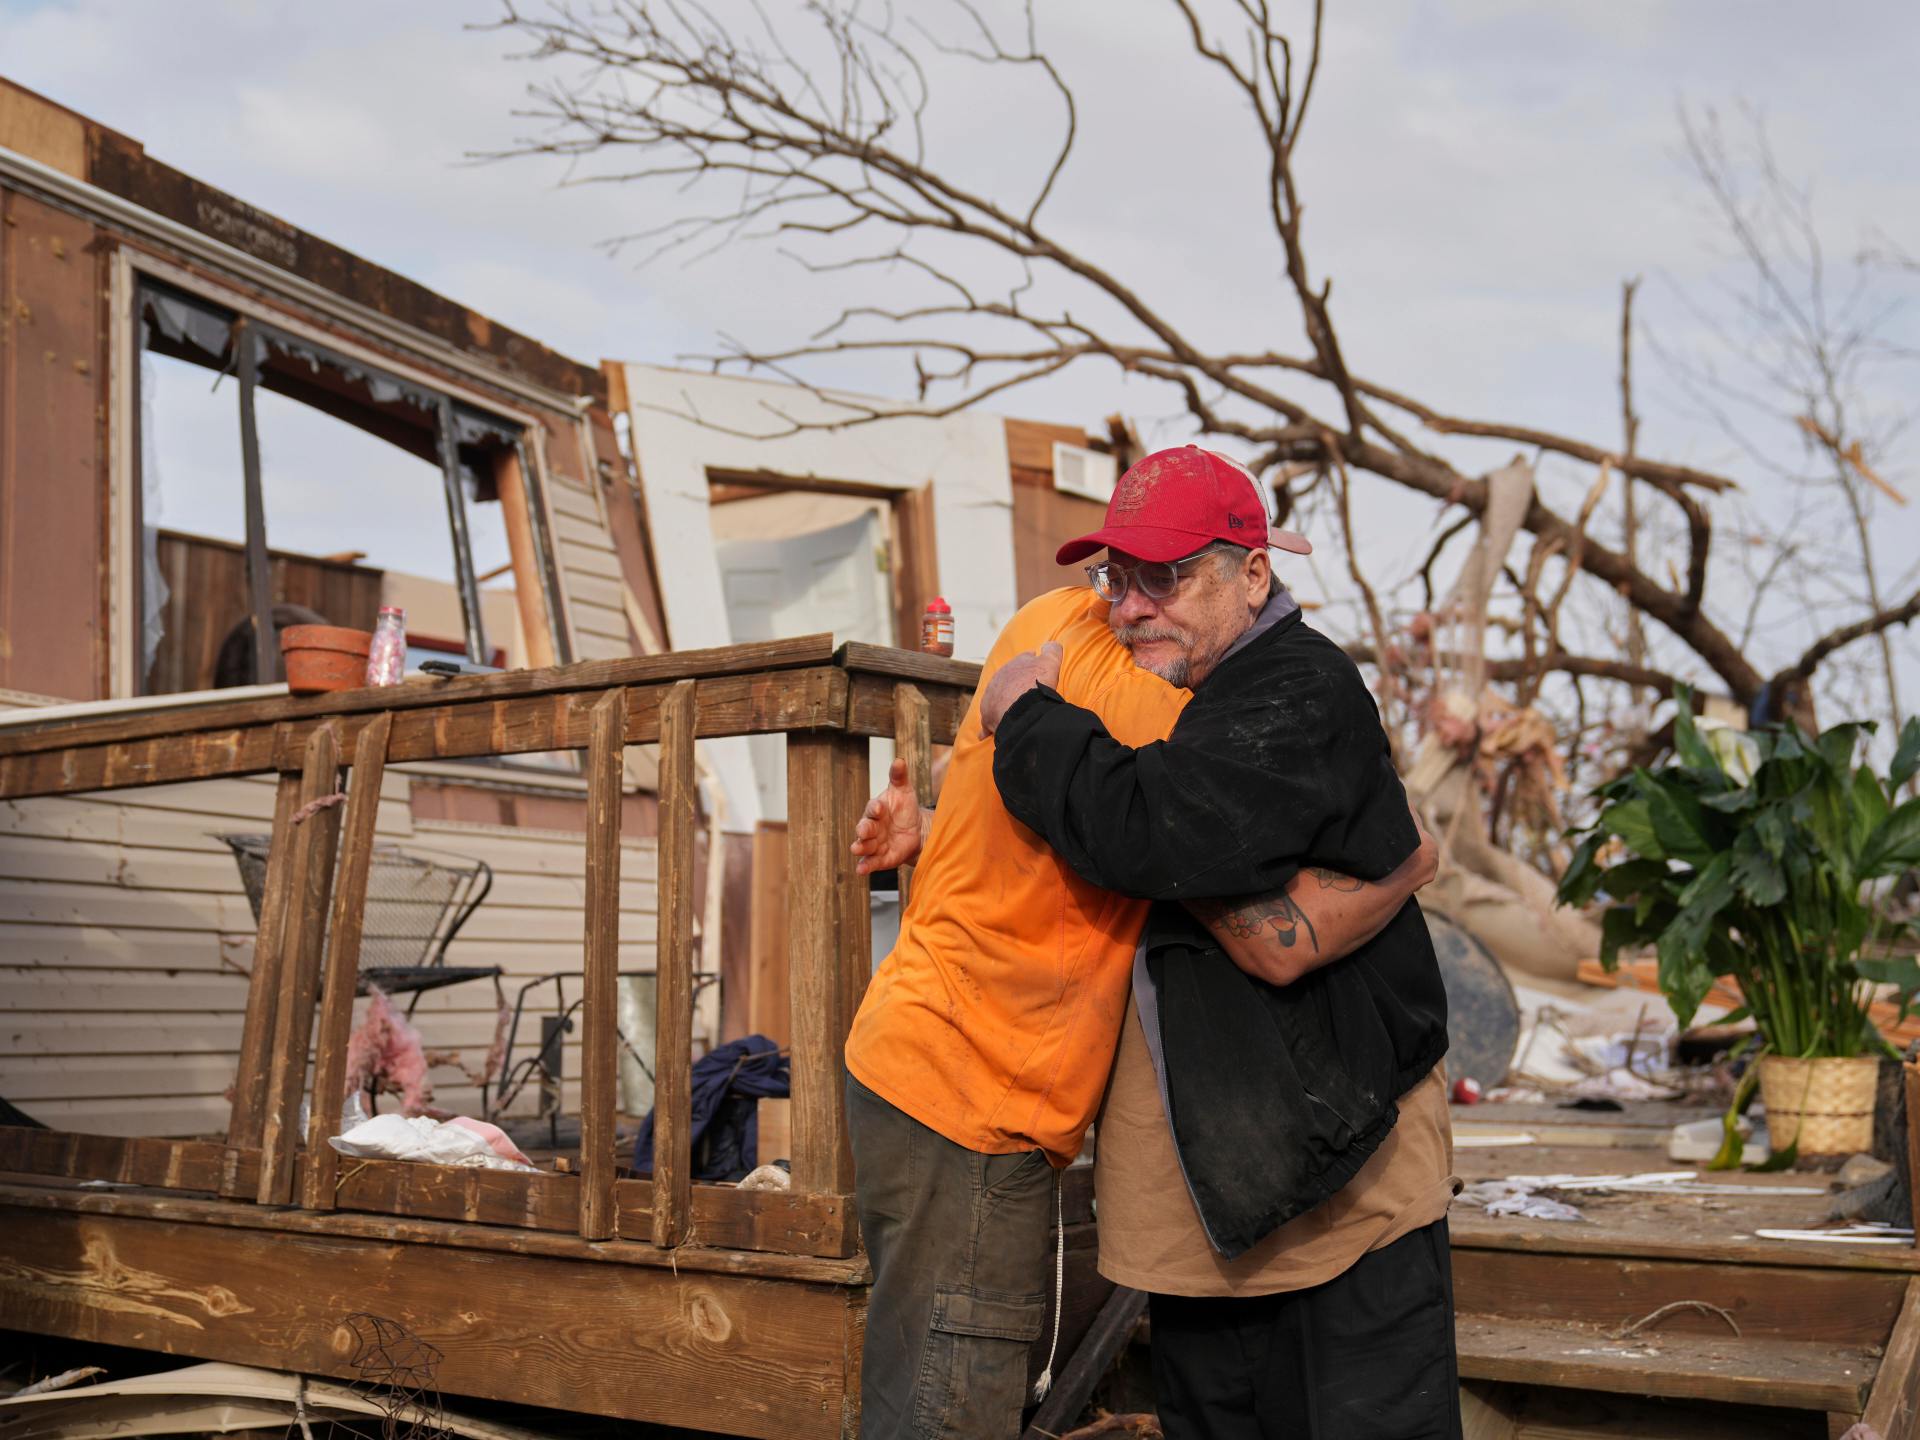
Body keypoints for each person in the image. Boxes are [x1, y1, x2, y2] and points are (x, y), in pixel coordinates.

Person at [842, 449, 1439, 1437]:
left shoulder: (1042, 631)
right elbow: (1199, 875)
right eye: (1119, 574)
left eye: (1164, 575)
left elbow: (1069, 812)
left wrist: (939, 821)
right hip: (975, 1092)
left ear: (1254, 573)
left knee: (922, 1391)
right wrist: (1403, 869)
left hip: (926, 1064)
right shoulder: (1161, 694)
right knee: (948, 1408)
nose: (1131, 604)